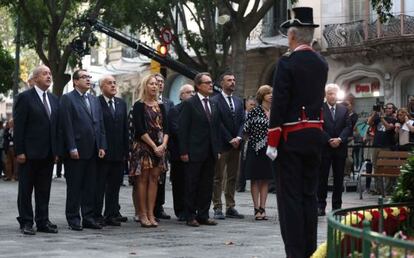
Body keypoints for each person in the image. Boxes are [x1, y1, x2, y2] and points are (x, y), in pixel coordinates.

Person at [266, 7, 329, 258]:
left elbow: (279, 102)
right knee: (309, 195)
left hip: (290, 138)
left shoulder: (287, 62)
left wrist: (273, 140)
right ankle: (310, 250)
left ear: (292, 37)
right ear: (309, 37)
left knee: (289, 198)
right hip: (315, 137)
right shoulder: (321, 63)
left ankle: (295, 253)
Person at [14, 65, 59, 235]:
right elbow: (19, 127)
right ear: (35, 78)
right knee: (25, 189)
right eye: (44, 73)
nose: (48, 76)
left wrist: (56, 151)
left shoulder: (54, 99)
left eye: (49, 73)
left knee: (44, 190)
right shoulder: (25, 98)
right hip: (29, 154)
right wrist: (19, 151)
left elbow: (56, 128)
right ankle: (26, 221)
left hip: (48, 154)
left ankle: (43, 221)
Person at [59, 69, 107, 231]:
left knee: (90, 186)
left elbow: (99, 124)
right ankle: (73, 218)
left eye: (89, 77)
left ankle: (88, 217)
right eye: (84, 77)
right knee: (75, 186)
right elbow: (66, 126)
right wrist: (71, 146)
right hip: (76, 150)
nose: (88, 79)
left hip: (93, 150)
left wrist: (101, 145)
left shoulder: (94, 99)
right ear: (75, 81)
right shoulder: (67, 99)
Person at [178, 72, 220, 227]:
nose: (211, 85)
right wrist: (183, 151)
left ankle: (203, 214)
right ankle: (190, 215)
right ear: (198, 86)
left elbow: (215, 128)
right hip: (193, 151)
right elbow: (183, 129)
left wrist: (217, 149)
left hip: (210, 151)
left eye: (211, 82)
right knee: (192, 184)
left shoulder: (214, 103)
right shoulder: (190, 104)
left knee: (207, 185)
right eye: (207, 82)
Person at [129, 74, 169, 228]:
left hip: (160, 148)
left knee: (154, 180)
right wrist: (154, 146)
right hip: (144, 147)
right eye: (151, 84)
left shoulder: (162, 106)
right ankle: (143, 214)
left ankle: (152, 214)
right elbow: (139, 129)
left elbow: (167, 128)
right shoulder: (139, 105)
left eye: (156, 84)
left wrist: (163, 145)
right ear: (145, 86)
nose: (154, 86)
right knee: (142, 181)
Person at [95, 75, 129, 227]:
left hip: (118, 152)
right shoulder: (96, 102)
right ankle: (97, 214)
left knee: (115, 186)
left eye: (115, 83)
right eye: (109, 83)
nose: (113, 85)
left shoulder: (121, 104)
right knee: (100, 185)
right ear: (102, 87)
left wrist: (126, 151)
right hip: (103, 152)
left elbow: (124, 129)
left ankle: (111, 213)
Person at [211, 72, 245, 220]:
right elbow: (217, 123)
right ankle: (217, 206)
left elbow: (243, 121)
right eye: (229, 80)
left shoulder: (238, 101)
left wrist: (238, 137)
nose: (232, 82)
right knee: (218, 177)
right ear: (222, 83)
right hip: (222, 144)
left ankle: (230, 206)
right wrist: (229, 138)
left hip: (236, 145)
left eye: (234, 80)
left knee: (232, 177)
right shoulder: (215, 100)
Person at [317, 84, 352, 216]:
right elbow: (318, 126)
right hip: (325, 147)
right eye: (330, 93)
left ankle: (337, 207)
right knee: (322, 178)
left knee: (338, 178)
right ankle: (320, 205)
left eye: (334, 93)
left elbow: (348, 127)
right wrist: (329, 140)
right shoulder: (320, 108)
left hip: (340, 147)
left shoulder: (344, 109)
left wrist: (340, 139)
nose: (332, 96)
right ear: (326, 95)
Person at [244, 85, 273, 220]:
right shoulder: (255, 111)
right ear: (262, 96)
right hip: (255, 149)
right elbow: (246, 128)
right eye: (268, 93)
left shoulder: (275, 112)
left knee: (265, 178)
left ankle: (263, 207)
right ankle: (256, 208)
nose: (271, 95)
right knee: (255, 178)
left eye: (272, 93)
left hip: (270, 149)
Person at [168, 84, 195, 221]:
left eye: (193, 92)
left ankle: (192, 209)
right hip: (178, 153)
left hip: (195, 152)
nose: (192, 94)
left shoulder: (197, 109)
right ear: (181, 95)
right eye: (188, 92)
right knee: (179, 183)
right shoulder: (175, 110)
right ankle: (180, 210)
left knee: (192, 182)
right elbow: (176, 130)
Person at [154, 73, 173, 220]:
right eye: (156, 81)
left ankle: (159, 206)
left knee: (161, 177)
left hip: (164, 145)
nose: (159, 84)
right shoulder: (143, 102)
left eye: (161, 82)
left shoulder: (168, 103)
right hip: (149, 145)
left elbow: (170, 125)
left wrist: (166, 144)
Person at [366, 102, 397, 193]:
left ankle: (388, 190)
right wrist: (375, 113)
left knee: (388, 169)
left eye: (390, 108)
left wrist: (382, 117)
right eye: (386, 108)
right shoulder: (378, 118)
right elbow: (369, 123)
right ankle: (378, 190)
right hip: (376, 146)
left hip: (387, 146)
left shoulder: (394, 120)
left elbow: (388, 127)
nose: (387, 109)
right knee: (376, 168)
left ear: (393, 110)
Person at [237, 96, 256, 193]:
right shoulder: (241, 114)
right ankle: (240, 185)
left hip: (251, 141)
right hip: (241, 141)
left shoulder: (255, 115)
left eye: (254, 105)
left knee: (247, 163)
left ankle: (244, 185)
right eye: (251, 104)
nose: (252, 106)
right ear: (246, 104)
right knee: (241, 163)